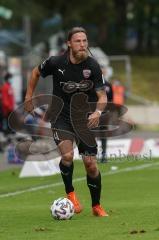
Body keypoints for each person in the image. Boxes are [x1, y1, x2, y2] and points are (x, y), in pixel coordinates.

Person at [24, 27, 108, 217]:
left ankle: (96, 206)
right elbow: (35, 73)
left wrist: (98, 111)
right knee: (68, 156)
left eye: (85, 41)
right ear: (69, 44)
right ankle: (71, 194)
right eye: (78, 41)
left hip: (83, 119)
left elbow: (102, 95)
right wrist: (29, 96)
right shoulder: (55, 62)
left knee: (91, 165)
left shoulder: (93, 66)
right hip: (60, 117)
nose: (82, 45)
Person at [98, 68, 113, 163]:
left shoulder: (108, 85)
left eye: (104, 70)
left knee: (103, 133)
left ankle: (104, 155)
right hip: (93, 111)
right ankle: (90, 154)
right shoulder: (92, 83)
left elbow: (111, 99)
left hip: (104, 113)